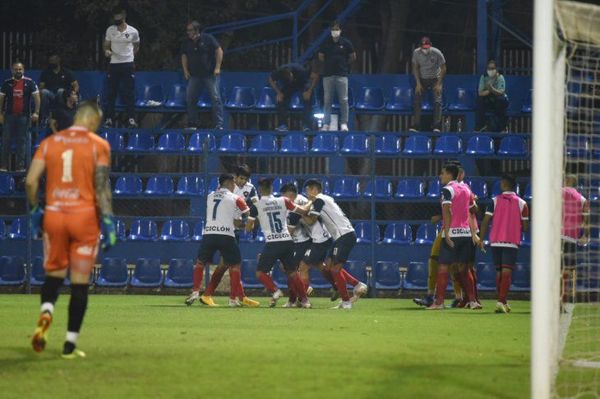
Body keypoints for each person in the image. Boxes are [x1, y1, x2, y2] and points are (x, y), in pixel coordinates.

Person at [26, 100, 116, 359]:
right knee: (79, 283)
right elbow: (100, 187)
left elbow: (31, 182)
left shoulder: (50, 142)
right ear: (92, 121)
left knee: (54, 275)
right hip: (84, 217)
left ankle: (46, 311)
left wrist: (35, 212)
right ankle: (69, 344)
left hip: (55, 215)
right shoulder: (99, 145)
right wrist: (108, 220)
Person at [185, 173, 259, 308]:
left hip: (209, 233)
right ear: (230, 183)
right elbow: (248, 212)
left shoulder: (209, 196)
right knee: (235, 265)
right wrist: (248, 224)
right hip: (226, 234)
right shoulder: (236, 198)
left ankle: (195, 291)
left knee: (200, 262)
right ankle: (232, 299)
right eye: (233, 184)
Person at [246, 178, 311, 308]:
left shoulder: (256, 206)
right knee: (293, 273)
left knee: (260, 272)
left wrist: (258, 221)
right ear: (272, 189)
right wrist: (311, 201)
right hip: (287, 241)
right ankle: (305, 301)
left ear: (260, 190)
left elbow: (248, 228)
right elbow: (303, 211)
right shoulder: (283, 201)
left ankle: (276, 291)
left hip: (272, 242)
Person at [303, 179, 368, 309]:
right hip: (340, 237)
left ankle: (346, 302)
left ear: (314, 190)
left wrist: (299, 213)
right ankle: (357, 284)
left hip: (344, 235)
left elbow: (311, 221)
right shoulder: (325, 199)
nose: (307, 194)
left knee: (335, 269)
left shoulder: (319, 199)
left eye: (308, 191)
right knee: (328, 266)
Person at [427, 164, 481, 310]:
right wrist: (473, 233)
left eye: (443, 173)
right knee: (464, 269)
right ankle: (473, 301)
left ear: (450, 175)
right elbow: (471, 212)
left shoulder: (447, 190)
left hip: (452, 233)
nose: (440, 176)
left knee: (443, 268)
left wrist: (448, 233)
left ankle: (439, 302)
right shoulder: (466, 189)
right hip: (466, 233)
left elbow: (447, 211)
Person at [479, 174, 529, 313]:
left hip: (495, 241)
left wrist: (481, 239)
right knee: (507, 271)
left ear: (504, 184)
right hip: (511, 241)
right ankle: (501, 301)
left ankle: (503, 301)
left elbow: (485, 221)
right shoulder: (522, 203)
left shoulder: (494, 201)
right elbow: (525, 227)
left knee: (499, 271)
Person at [181, 20, 224, 130]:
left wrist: (218, 67)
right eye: (187, 30)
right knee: (190, 97)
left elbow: (219, 50)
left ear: (197, 30)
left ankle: (219, 124)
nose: (188, 32)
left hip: (210, 75)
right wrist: (185, 70)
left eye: (190, 30)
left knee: (215, 98)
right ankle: (193, 123)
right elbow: (184, 55)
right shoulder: (186, 42)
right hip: (194, 75)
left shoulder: (208, 38)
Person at [0, 62, 41, 171]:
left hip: (24, 117)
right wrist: (0, 113)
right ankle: (3, 166)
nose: (18, 71)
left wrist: (36, 112)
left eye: (20, 69)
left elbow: (37, 98)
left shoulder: (29, 82)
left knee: (21, 142)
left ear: (23, 70)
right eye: (16, 69)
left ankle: (20, 167)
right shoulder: (6, 83)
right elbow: (1, 99)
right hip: (9, 117)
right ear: (12, 70)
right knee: (5, 141)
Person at [103, 8, 140, 128]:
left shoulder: (133, 31)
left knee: (129, 92)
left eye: (118, 17)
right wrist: (107, 51)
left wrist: (130, 57)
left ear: (124, 16)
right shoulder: (110, 30)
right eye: (115, 18)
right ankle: (109, 119)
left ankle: (131, 119)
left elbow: (136, 46)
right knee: (111, 92)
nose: (116, 20)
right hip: (114, 64)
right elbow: (106, 45)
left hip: (128, 64)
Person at [318, 20, 356, 132]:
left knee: (344, 100)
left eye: (337, 29)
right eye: (333, 29)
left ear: (340, 30)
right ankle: (326, 124)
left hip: (342, 75)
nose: (335, 31)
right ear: (330, 31)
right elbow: (321, 56)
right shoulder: (326, 43)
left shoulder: (346, 43)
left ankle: (344, 123)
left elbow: (353, 56)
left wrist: (343, 64)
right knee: (327, 100)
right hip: (328, 75)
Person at [280, 183, 315, 307]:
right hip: (290, 240)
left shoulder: (302, 201)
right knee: (289, 270)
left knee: (296, 269)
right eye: (285, 196)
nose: (288, 199)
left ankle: (297, 299)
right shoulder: (280, 202)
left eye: (291, 196)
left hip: (303, 240)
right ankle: (295, 298)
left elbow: (312, 218)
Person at [560, 175, 590, 305]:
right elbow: (586, 222)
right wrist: (585, 235)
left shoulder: (557, 192)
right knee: (566, 270)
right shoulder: (583, 200)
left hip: (554, 237)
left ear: (566, 181)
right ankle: (563, 300)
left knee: (553, 269)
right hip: (571, 239)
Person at [410, 36, 446, 133]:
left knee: (437, 100)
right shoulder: (416, 53)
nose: (425, 49)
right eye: (423, 47)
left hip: (435, 78)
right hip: (422, 78)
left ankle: (437, 125)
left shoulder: (437, 52)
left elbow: (443, 68)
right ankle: (416, 125)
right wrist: (418, 83)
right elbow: (415, 67)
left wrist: (438, 84)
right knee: (417, 99)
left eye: (427, 47)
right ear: (420, 46)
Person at [269, 62, 319, 131]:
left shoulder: (300, 70)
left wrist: (309, 91)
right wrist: (278, 92)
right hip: (288, 86)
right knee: (280, 99)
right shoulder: (279, 71)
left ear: (291, 73)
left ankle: (307, 125)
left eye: (290, 77)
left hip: (301, 83)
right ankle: (283, 125)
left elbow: (315, 77)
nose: (290, 78)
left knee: (307, 97)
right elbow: (270, 79)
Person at [39, 54, 79, 126]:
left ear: (58, 61)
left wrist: (73, 93)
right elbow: (41, 86)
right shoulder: (46, 72)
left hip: (64, 95)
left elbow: (76, 85)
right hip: (51, 95)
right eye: (50, 61)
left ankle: (61, 116)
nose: (52, 63)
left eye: (53, 61)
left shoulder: (66, 72)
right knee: (44, 92)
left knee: (60, 91)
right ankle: (45, 117)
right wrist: (40, 92)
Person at [476, 60, 509, 132]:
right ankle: (480, 126)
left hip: (498, 99)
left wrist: (491, 89)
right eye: (489, 68)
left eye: (493, 68)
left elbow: (501, 92)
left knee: (502, 101)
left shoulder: (500, 77)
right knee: (480, 100)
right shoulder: (483, 77)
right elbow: (480, 93)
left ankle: (502, 128)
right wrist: (490, 90)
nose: (491, 70)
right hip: (488, 99)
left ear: (496, 69)